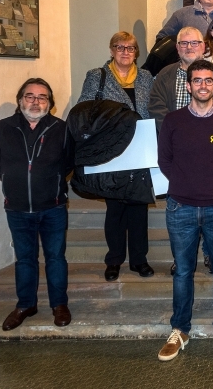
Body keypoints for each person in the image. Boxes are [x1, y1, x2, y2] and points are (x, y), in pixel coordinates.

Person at [156, 59, 213, 363]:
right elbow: (164, 160)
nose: (203, 85)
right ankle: (180, 329)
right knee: (182, 272)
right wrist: (185, 184)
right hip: (180, 206)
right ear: (188, 84)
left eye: (208, 80)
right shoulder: (173, 121)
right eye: (197, 80)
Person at [0, 78, 74, 331]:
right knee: (25, 259)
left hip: (53, 206)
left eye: (42, 97)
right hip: (17, 208)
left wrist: (52, 181)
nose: (36, 102)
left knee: (56, 258)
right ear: (20, 100)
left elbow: (68, 163)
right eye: (30, 96)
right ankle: (26, 304)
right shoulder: (2, 128)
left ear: (50, 103)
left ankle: (59, 305)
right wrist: (15, 179)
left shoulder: (61, 129)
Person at [78, 32, 155, 282]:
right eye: (119, 47)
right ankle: (114, 260)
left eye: (130, 48)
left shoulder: (145, 77)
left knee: (138, 208)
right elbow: (83, 109)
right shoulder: (96, 76)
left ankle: (139, 260)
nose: (125, 52)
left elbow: (151, 110)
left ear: (136, 52)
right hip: (111, 150)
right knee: (115, 208)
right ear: (111, 50)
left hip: (139, 148)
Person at [150, 26, 213, 129]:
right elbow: (156, 108)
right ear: (177, 48)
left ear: (203, 47)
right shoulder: (165, 74)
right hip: (174, 137)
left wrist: (199, 132)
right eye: (184, 43)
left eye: (194, 43)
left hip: (208, 135)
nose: (189, 47)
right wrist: (175, 132)